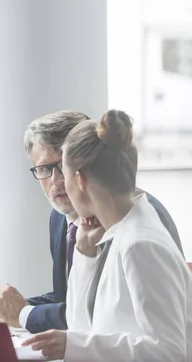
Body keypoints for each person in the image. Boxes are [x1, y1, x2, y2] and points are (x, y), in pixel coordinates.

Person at [0, 110, 182, 333]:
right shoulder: (60, 218)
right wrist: (3, 310)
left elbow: (105, 312)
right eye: (44, 168)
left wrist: (24, 314)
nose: (57, 180)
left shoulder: (126, 218)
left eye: (63, 166)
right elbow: (71, 297)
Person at [22, 109, 192, 361]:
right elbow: (82, 328)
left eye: (63, 173)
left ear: (79, 179)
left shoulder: (140, 244)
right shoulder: (113, 233)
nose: (57, 183)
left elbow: (170, 351)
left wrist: (75, 346)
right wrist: (85, 257)